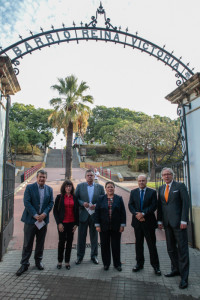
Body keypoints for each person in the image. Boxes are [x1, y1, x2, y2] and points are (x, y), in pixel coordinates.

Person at [16, 170, 54, 276]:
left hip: (43, 221)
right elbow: (26, 202)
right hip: (30, 220)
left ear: (46, 178)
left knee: (40, 243)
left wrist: (45, 214)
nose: (42, 179)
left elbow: (51, 203)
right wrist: (35, 215)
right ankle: (24, 264)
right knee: (27, 243)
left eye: (44, 177)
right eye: (40, 177)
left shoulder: (49, 189)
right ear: (37, 177)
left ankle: (38, 261)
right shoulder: (29, 188)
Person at [157, 167, 189, 289]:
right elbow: (160, 206)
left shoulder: (180, 186)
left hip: (179, 224)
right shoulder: (161, 188)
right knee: (170, 249)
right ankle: (175, 269)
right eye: (164, 175)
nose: (166, 176)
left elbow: (186, 204)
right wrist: (159, 220)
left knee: (182, 250)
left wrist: (184, 220)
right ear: (162, 177)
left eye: (168, 174)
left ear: (172, 175)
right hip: (167, 224)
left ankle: (184, 278)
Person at [128, 174, 161, 275]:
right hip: (137, 222)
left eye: (143, 180)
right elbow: (130, 205)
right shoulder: (133, 192)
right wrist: (136, 214)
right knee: (138, 244)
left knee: (151, 245)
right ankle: (139, 264)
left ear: (146, 181)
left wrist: (143, 213)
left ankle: (156, 266)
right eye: (139, 181)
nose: (141, 182)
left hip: (149, 223)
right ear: (137, 182)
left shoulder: (152, 192)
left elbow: (154, 205)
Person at [75, 169, 105, 265]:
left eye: (91, 175)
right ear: (85, 177)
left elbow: (103, 200)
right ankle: (80, 257)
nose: (90, 177)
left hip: (94, 216)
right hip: (83, 216)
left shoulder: (100, 187)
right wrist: (82, 203)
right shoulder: (80, 186)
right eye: (88, 175)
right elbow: (76, 199)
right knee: (81, 238)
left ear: (94, 176)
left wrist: (96, 205)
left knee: (94, 237)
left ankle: (94, 256)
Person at [95, 181, 126, 271]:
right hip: (103, 227)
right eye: (108, 187)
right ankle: (106, 264)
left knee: (116, 246)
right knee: (104, 246)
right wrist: (97, 225)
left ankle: (117, 264)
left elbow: (122, 213)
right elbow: (97, 212)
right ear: (105, 188)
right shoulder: (101, 198)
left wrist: (122, 225)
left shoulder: (119, 198)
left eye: (112, 187)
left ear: (114, 188)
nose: (110, 189)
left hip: (116, 227)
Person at [53, 180, 79, 270]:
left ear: (72, 188)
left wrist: (76, 224)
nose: (68, 188)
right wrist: (58, 223)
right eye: (67, 186)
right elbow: (55, 211)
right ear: (64, 187)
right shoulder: (59, 197)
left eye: (70, 186)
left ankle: (67, 261)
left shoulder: (75, 198)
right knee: (61, 242)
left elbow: (77, 211)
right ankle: (60, 261)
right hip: (62, 224)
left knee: (69, 243)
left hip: (71, 224)